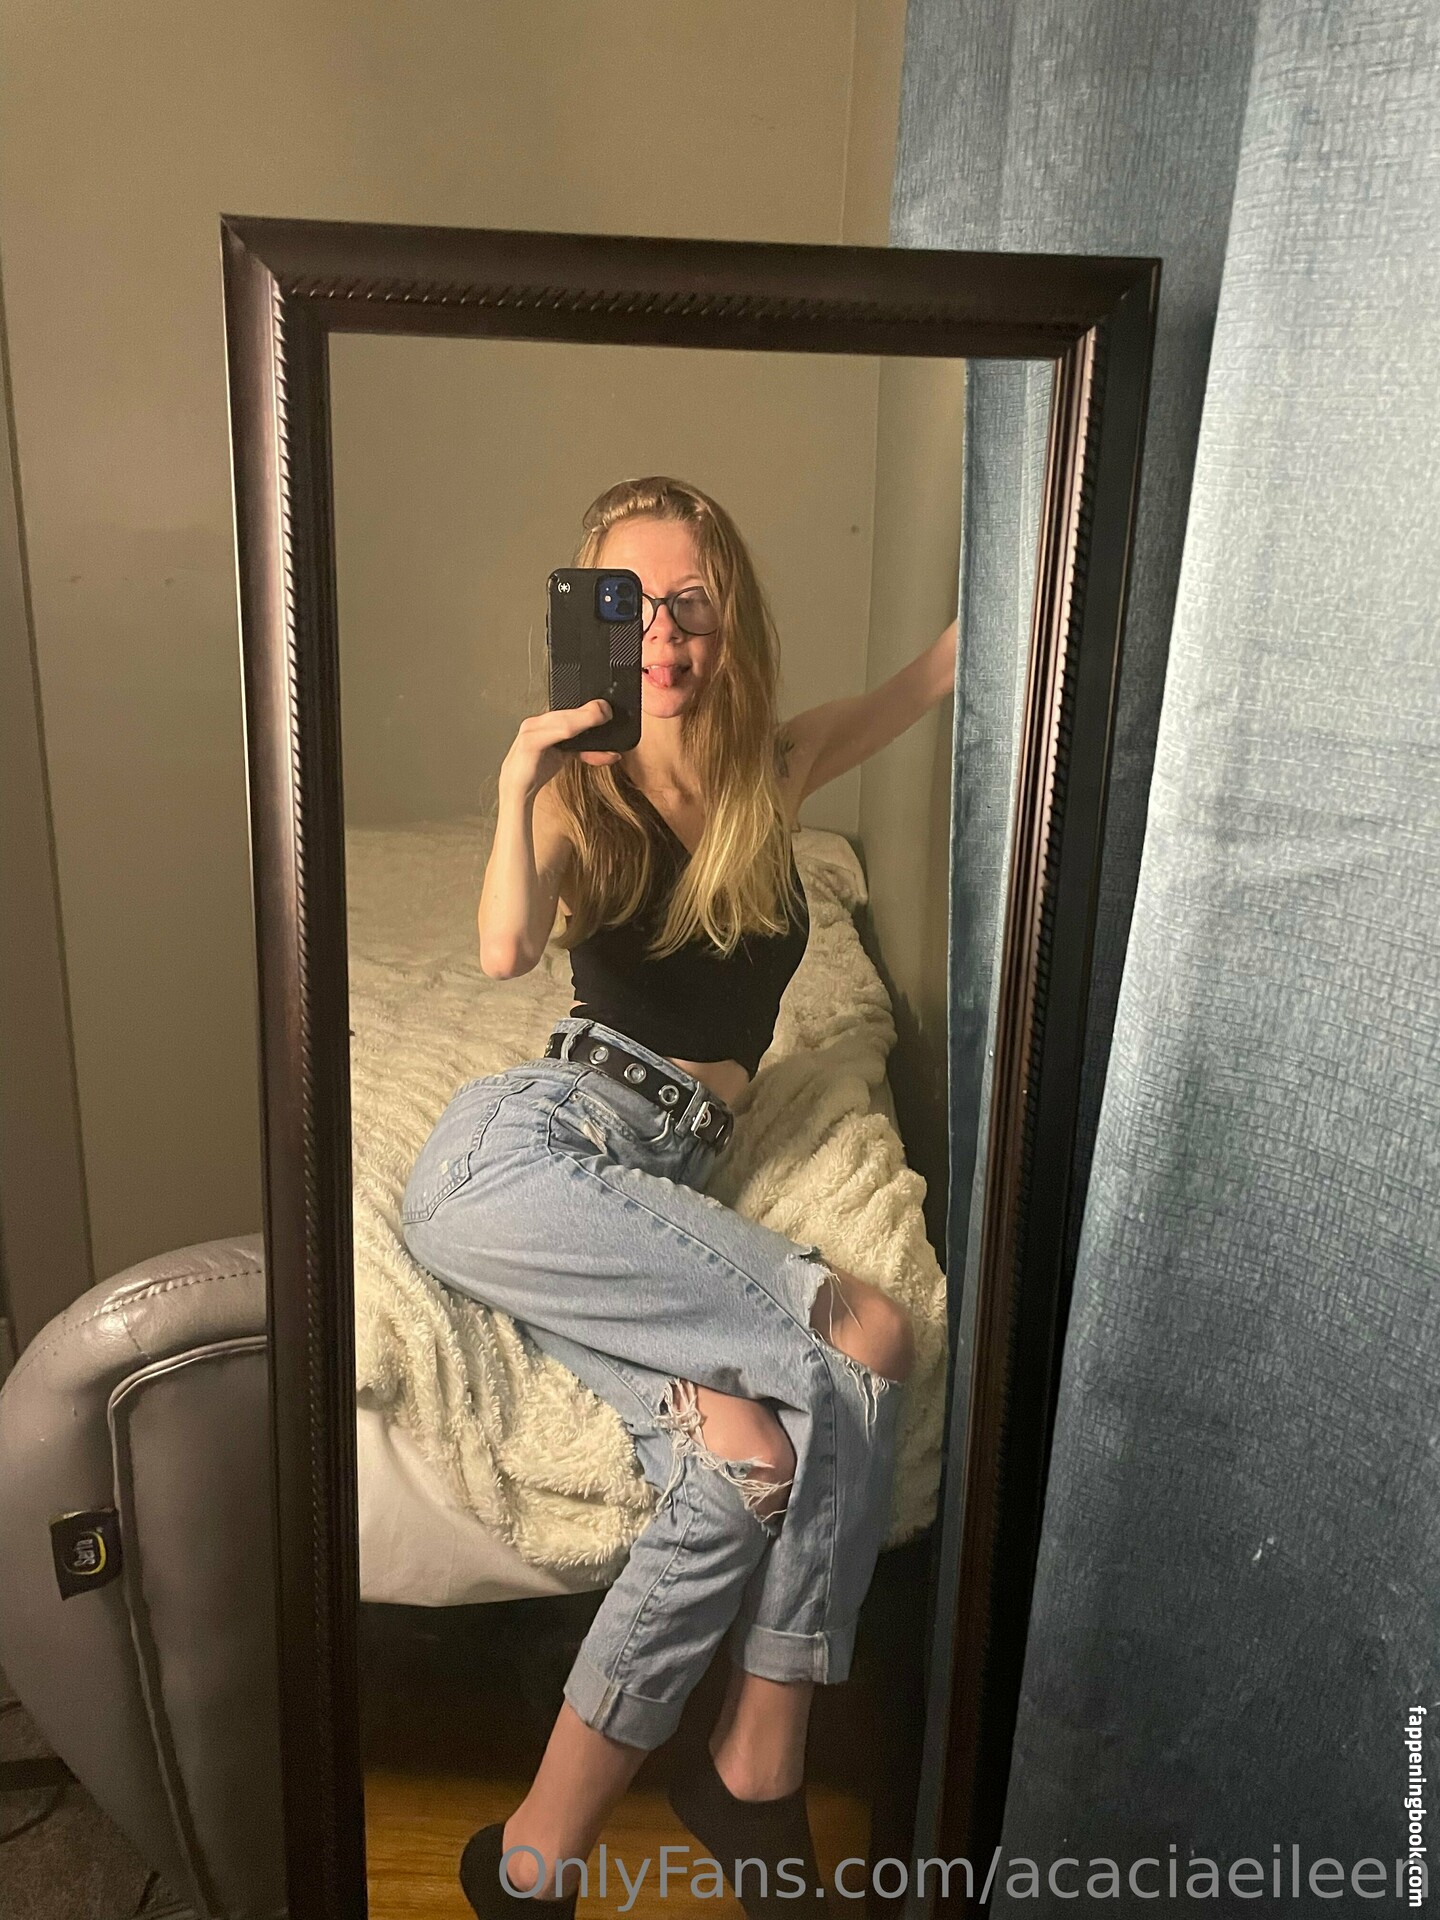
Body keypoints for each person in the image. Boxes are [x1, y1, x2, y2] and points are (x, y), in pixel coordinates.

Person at [399, 476, 958, 1918]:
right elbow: (506, 949)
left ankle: (531, 1861)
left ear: (731, 619)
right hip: (530, 1148)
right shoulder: (580, 798)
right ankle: (761, 1765)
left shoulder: (775, 771)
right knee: (866, 1337)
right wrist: (521, 781)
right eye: (628, 605)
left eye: (690, 604)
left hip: (644, 1183)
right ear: (591, 621)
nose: (663, 634)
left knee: (742, 1470)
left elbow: (932, 677)